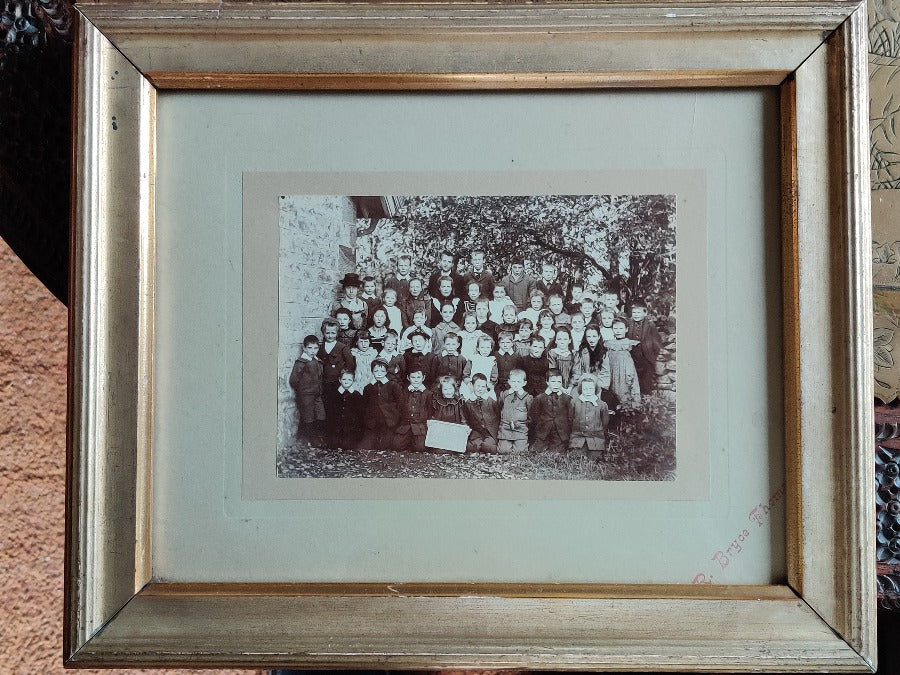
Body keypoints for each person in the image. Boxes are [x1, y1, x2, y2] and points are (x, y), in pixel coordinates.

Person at [318, 317, 355, 446]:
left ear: (337, 333)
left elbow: (350, 365)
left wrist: (345, 381)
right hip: (325, 385)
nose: (330, 335)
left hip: (338, 385)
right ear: (323, 333)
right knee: (327, 410)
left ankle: (340, 437)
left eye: (333, 333)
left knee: (338, 409)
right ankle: (328, 437)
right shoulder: (320, 348)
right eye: (327, 333)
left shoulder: (342, 348)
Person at [289, 334, 326, 447]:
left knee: (321, 415)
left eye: (315, 348)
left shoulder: (317, 361)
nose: (312, 351)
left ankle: (319, 436)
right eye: (310, 348)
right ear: (304, 348)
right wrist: (303, 390)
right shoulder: (301, 362)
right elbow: (293, 380)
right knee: (308, 416)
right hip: (306, 395)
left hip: (317, 393)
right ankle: (312, 439)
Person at [359, 359, 402, 450]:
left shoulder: (393, 385)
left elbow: (400, 404)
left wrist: (394, 417)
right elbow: (364, 406)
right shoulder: (368, 387)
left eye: (382, 371)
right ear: (372, 372)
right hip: (372, 423)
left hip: (388, 422)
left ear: (386, 372)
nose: (379, 373)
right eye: (376, 371)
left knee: (385, 446)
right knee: (366, 446)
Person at [602, 318, 642, 409]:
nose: (618, 331)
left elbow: (636, 364)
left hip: (626, 373)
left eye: (621, 328)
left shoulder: (631, 344)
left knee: (625, 394)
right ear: (612, 329)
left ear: (626, 329)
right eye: (615, 328)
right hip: (611, 373)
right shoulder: (608, 344)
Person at [568, 375, 610, 460]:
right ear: (580, 389)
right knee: (577, 458)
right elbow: (570, 419)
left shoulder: (602, 405)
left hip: (596, 439)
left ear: (595, 389)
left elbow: (604, 423)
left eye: (590, 389)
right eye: (585, 389)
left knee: (595, 459)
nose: (588, 392)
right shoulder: (574, 402)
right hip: (578, 439)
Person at [531, 370, 574, 452]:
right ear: (547, 382)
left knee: (557, 452)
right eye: (553, 381)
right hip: (543, 431)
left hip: (560, 433)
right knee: (537, 450)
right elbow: (534, 416)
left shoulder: (567, 399)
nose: (556, 384)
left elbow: (570, 417)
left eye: (559, 382)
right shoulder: (540, 398)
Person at [626, 300, 663, 395]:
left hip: (646, 359)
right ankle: (634, 402)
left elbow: (657, 342)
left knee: (646, 383)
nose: (636, 315)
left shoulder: (650, 325)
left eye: (638, 312)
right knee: (633, 381)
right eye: (634, 312)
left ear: (645, 313)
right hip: (633, 358)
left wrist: (652, 355)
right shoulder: (629, 323)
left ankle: (646, 402)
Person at [393, 366, 433, 452]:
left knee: (420, 448)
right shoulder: (404, 392)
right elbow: (400, 409)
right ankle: (408, 439)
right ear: (408, 378)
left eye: (418, 377)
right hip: (406, 425)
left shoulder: (428, 394)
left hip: (420, 426)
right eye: (413, 377)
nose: (416, 380)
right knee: (396, 446)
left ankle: (415, 441)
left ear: (423, 378)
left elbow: (430, 411)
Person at [463, 373, 501, 453]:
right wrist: (467, 428)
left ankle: (488, 445)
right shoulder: (468, 402)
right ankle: (479, 445)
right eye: (478, 386)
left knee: (488, 446)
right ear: (472, 386)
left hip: (490, 431)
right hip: (476, 432)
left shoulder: (491, 401)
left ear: (486, 387)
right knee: (470, 447)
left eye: (483, 386)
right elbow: (465, 418)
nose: (480, 389)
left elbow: (498, 415)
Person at [497, 369, 532, 454]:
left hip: (520, 430)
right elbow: (500, 406)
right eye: (513, 381)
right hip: (506, 429)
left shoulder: (528, 397)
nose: (516, 384)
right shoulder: (504, 394)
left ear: (524, 383)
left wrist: (522, 425)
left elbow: (530, 416)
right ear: (509, 382)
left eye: (518, 382)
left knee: (520, 452)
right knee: (503, 451)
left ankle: (521, 444)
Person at [330, 369, 363, 449]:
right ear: (340, 380)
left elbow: (359, 413)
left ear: (353, 381)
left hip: (350, 429)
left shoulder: (356, 395)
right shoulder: (334, 394)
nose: (346, 381)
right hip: (336, 428)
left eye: (349, 379)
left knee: (348, 446)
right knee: (333, 445)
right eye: (344, 379)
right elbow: (331, 412)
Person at [547, 326, 579, 391]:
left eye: (565, 339)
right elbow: (552, 372)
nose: (562, 342)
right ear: (555, 341)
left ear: (569, 340)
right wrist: (560, 388)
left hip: (572, 386)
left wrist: (570, 388)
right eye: (559, 339)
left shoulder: (574, 354)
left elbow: (576, 373)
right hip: (555, 385)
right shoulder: (552, 353)